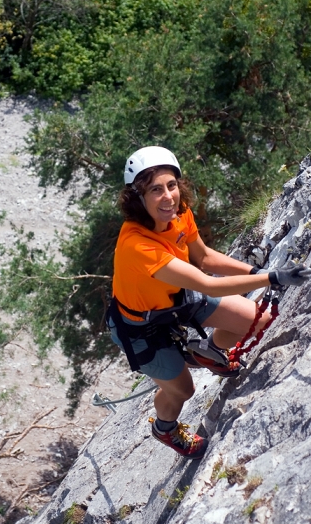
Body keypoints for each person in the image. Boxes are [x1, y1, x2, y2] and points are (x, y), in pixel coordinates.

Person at [109, 146, 311, 460]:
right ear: (138, 198)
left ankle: (210, 350)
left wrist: (259, 272)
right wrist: (273, 278)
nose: (168, 197)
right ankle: (165, 428)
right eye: (155, 190)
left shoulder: (177, 214)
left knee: (257, 321)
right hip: (142, 329)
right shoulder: (136, 245)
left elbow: (204, 258)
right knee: (183, 390)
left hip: (176, 299)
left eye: (171, 186)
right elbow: (206, 282)